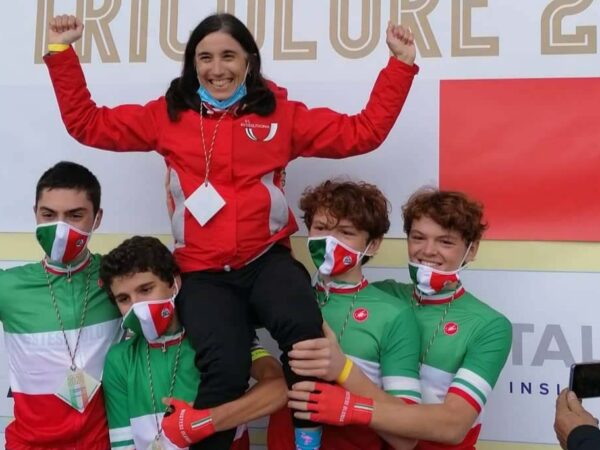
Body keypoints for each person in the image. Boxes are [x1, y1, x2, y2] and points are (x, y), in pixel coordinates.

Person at [44, 12, 418, 450]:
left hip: (265, 260)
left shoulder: (281, 116)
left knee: (305, 336)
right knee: (224, 367)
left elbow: (363, 132)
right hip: (203, 271)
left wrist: (400, 65)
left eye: (228, 56)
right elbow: (87, 124)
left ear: (248, 62)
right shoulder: (167, 117)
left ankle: (307, 439)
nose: (217, 68)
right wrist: (61, 52)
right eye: (205, 57)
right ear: (192, 63)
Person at [288, 188, 512, 449]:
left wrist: (350, 401)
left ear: (471, 250)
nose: (428, 250)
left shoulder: (489, 325)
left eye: (445, 242)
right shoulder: (384, 295)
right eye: (418, 238)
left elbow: (453, 425)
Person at [99, 235, 288, 449]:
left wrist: (204, 422)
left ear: (174, 283)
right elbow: (123, 445)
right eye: (124, 299)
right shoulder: (119, 359)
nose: (136, 305)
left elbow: (279, 386)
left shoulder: (221, 334)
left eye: (145, 289)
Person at [0, 161, 122, 449]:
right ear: (35, 214)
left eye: (75, 215)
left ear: (97, 218)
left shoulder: (119, 277)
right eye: (48, 215)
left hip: (100, 444)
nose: (60, 228)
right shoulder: (8, 286)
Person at [295, 179, 421, 450]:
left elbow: (406, 437)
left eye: (345, 232)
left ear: (372, 245)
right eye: (320, 228)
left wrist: (344, 371)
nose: (329, 241)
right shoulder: (286, 297)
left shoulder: (393, 313)